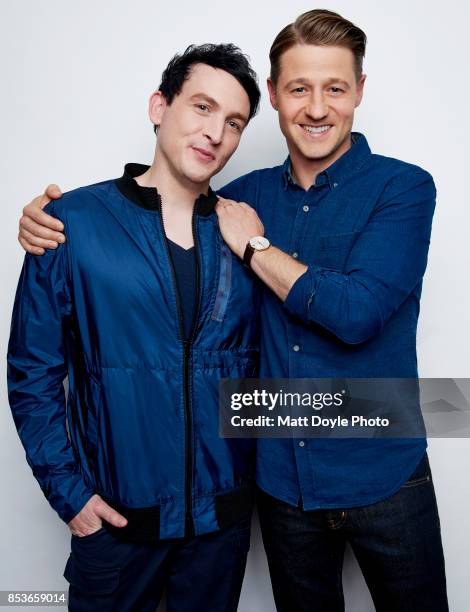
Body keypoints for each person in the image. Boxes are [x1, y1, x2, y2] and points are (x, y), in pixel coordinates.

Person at [16, 9, 449, 612]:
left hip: (383, 475)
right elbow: (40, 367)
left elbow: (357, 313)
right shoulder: (235, 198)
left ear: (360, 92)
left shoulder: (399, 189)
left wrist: (257, 247)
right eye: (299, 88)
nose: (317, 107)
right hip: (277, 491)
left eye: (335, 88)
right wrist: (46, 219)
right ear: (276, 96)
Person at [8, 43, 261, 612]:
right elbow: (32, 375)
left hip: (219, 529)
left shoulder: (244, 233)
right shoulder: (71, 222)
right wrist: (71, 497)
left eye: (234, 122)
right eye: (201, 106)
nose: (215, 132)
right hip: (115, 528)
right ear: (159, 107)